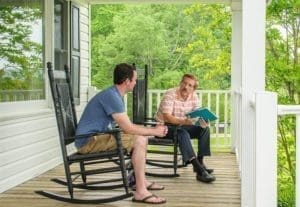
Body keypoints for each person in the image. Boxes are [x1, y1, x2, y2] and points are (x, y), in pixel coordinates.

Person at [75, 63, 168, 204]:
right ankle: (141, 192)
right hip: (88, 141)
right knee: (140, 140)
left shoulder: (114, 95)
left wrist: (149, 130)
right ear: (127, 81)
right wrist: (154, 131)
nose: (136, 83)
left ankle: (139, 181)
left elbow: (127, 127)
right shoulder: (112, 96)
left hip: (96, 137)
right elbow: (128, 129)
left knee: (141, 138)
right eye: (135, 80)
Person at [156, 73, 216, 183]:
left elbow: (197, 114)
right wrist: (184, 121)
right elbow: (167, 117)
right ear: (180, 83)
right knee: (182, 133)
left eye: (190, 85)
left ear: (193, 88)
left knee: (204, 129)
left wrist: (203, 120)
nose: (186, 87)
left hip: (183, 126)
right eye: (184, 83)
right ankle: (199, 170)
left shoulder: (194, 96)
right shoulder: (170, 94)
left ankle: (200, 162)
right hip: (165, 127)